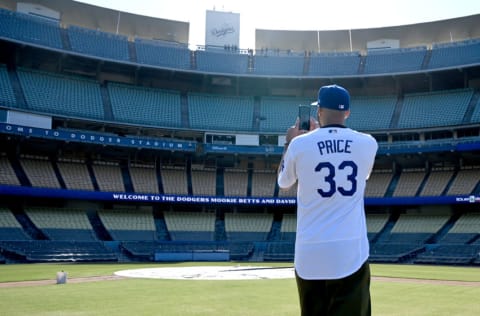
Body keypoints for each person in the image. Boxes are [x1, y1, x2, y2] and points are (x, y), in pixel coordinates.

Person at [277, 84, 378, 316]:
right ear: (348, 112)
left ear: (319, 111)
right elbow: (363, 175)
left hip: (309, 253)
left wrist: (290, 142)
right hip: (350, 253)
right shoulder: (368, 143)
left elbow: (284, 183)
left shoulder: (299, 144)